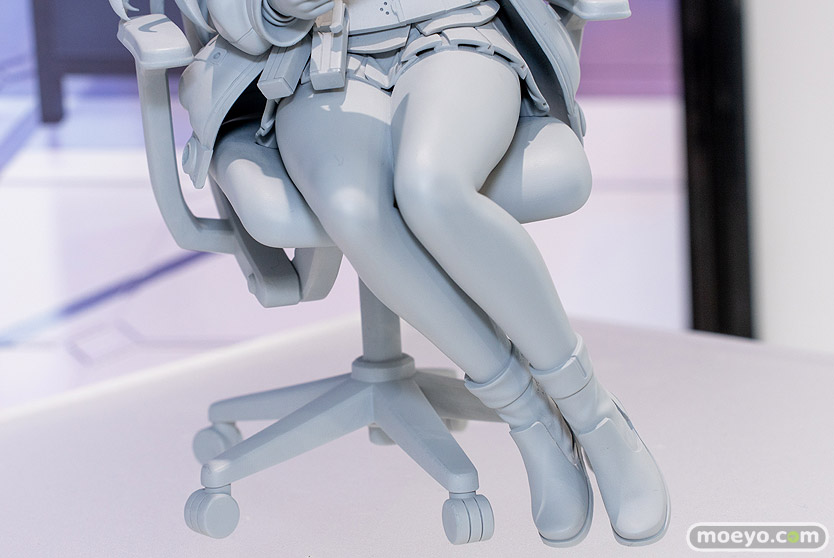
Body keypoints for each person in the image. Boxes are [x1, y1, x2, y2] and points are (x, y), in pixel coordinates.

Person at [182, 0, 669, 546]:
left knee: (430, 186)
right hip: (315, 56)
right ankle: (531, 419)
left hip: (452, 27)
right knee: (353, 212)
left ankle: (593, 413)